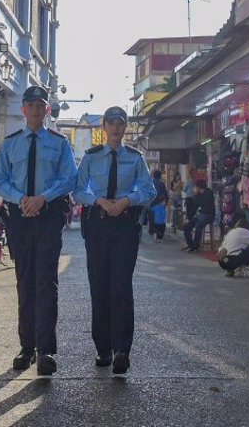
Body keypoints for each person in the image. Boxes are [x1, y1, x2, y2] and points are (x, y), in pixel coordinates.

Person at [0, 85, 77, 375]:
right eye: (31, 105)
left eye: (42, 105)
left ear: (47, 110)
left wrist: (43, 198)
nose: (37, 110)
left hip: (49, 216)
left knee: (46, 282)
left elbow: (69, 178)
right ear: (23, 109)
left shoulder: (59, 143)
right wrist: (21, 199)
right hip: (19, 218)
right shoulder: (11, 144)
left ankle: (46, 351)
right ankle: (26, 348)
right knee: (24, 281)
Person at [73, 106, 156, 374]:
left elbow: (148, 190)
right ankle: (103, 349)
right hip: (97, 225)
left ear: (125, 127)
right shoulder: (91, 157)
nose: (116, 128)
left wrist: (127, 200)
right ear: (104, 127)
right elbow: (78, 190)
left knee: (121, 286)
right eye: (112, 123)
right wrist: (97, 200)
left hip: (125, 226)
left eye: (121, 123)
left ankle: (122, 350)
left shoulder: (135, 158)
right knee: (99, 286)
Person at [182, 179, 215, 252]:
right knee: (186, 226)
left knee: (198, 225)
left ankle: (196, 246)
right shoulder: (198, 195)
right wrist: (188, 219)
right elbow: (194, 208)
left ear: (198, 187)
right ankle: (191, 245)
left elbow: (204, 203)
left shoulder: (209, 192)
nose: (194, 188)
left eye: (195, 186)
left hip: (209, 215)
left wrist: (196, 195)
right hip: (201, 215)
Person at [148, 170, 168, 242]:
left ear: (153, 175)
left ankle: (152, 231)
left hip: (151, 204)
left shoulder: (150, 183)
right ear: (160, 176)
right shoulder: (161, 183)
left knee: (151, 219)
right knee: (158, 219)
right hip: (159, 203)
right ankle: (158, 234)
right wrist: (165, 203)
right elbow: (165, 194)